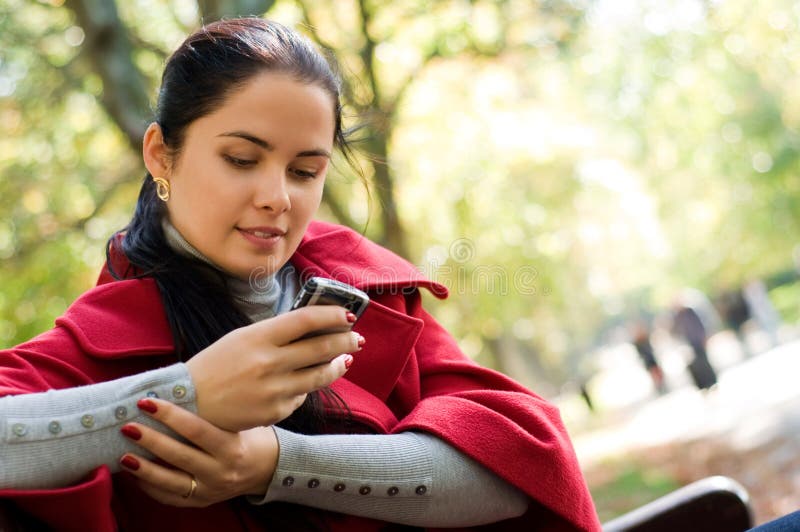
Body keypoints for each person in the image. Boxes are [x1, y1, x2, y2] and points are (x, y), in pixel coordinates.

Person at [0, 18, 600, 532]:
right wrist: (188, 394)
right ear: (161, 154)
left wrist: (275, 463)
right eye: (241, 160)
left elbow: (516, 470)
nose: (276, 197)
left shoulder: (371, 294)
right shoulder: (104, 333)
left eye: (305, 170)